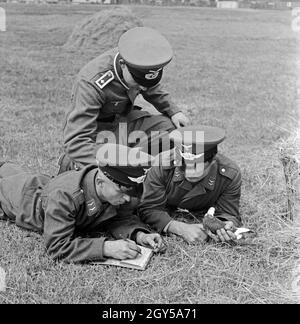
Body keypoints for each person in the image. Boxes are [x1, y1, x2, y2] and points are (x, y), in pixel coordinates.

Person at [0, 144, 165, 263]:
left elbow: (119, 219)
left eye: (130, 192)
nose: (128, 199)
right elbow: (57, 247)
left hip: (43, 184)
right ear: (100, 183)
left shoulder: (116, 190)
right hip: (21, 199)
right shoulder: (65, 196)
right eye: (122, 192)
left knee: (12, 171)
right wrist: (106, 248)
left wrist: (140, 235)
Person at [60, 26, 190, 174]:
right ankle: (77, 166)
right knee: (117, 171)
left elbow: (150, 86)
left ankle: (138, 163)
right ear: (123, 65)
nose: (142, 87)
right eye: (137, 81)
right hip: (97, 135)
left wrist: (174, 112)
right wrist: (140, 161)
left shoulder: (137, 61)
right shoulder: (91, 83)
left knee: (169, 129)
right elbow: (77, 143)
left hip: (122, 124)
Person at [138, 126, 242, 244]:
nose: (189, 172)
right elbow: (149, 208)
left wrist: (224, 225)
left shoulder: (229, 174)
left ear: (212, 162)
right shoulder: (161, 165)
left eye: (197, 166)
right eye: (183, 166)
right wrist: (179, 228)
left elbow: (229, 213)